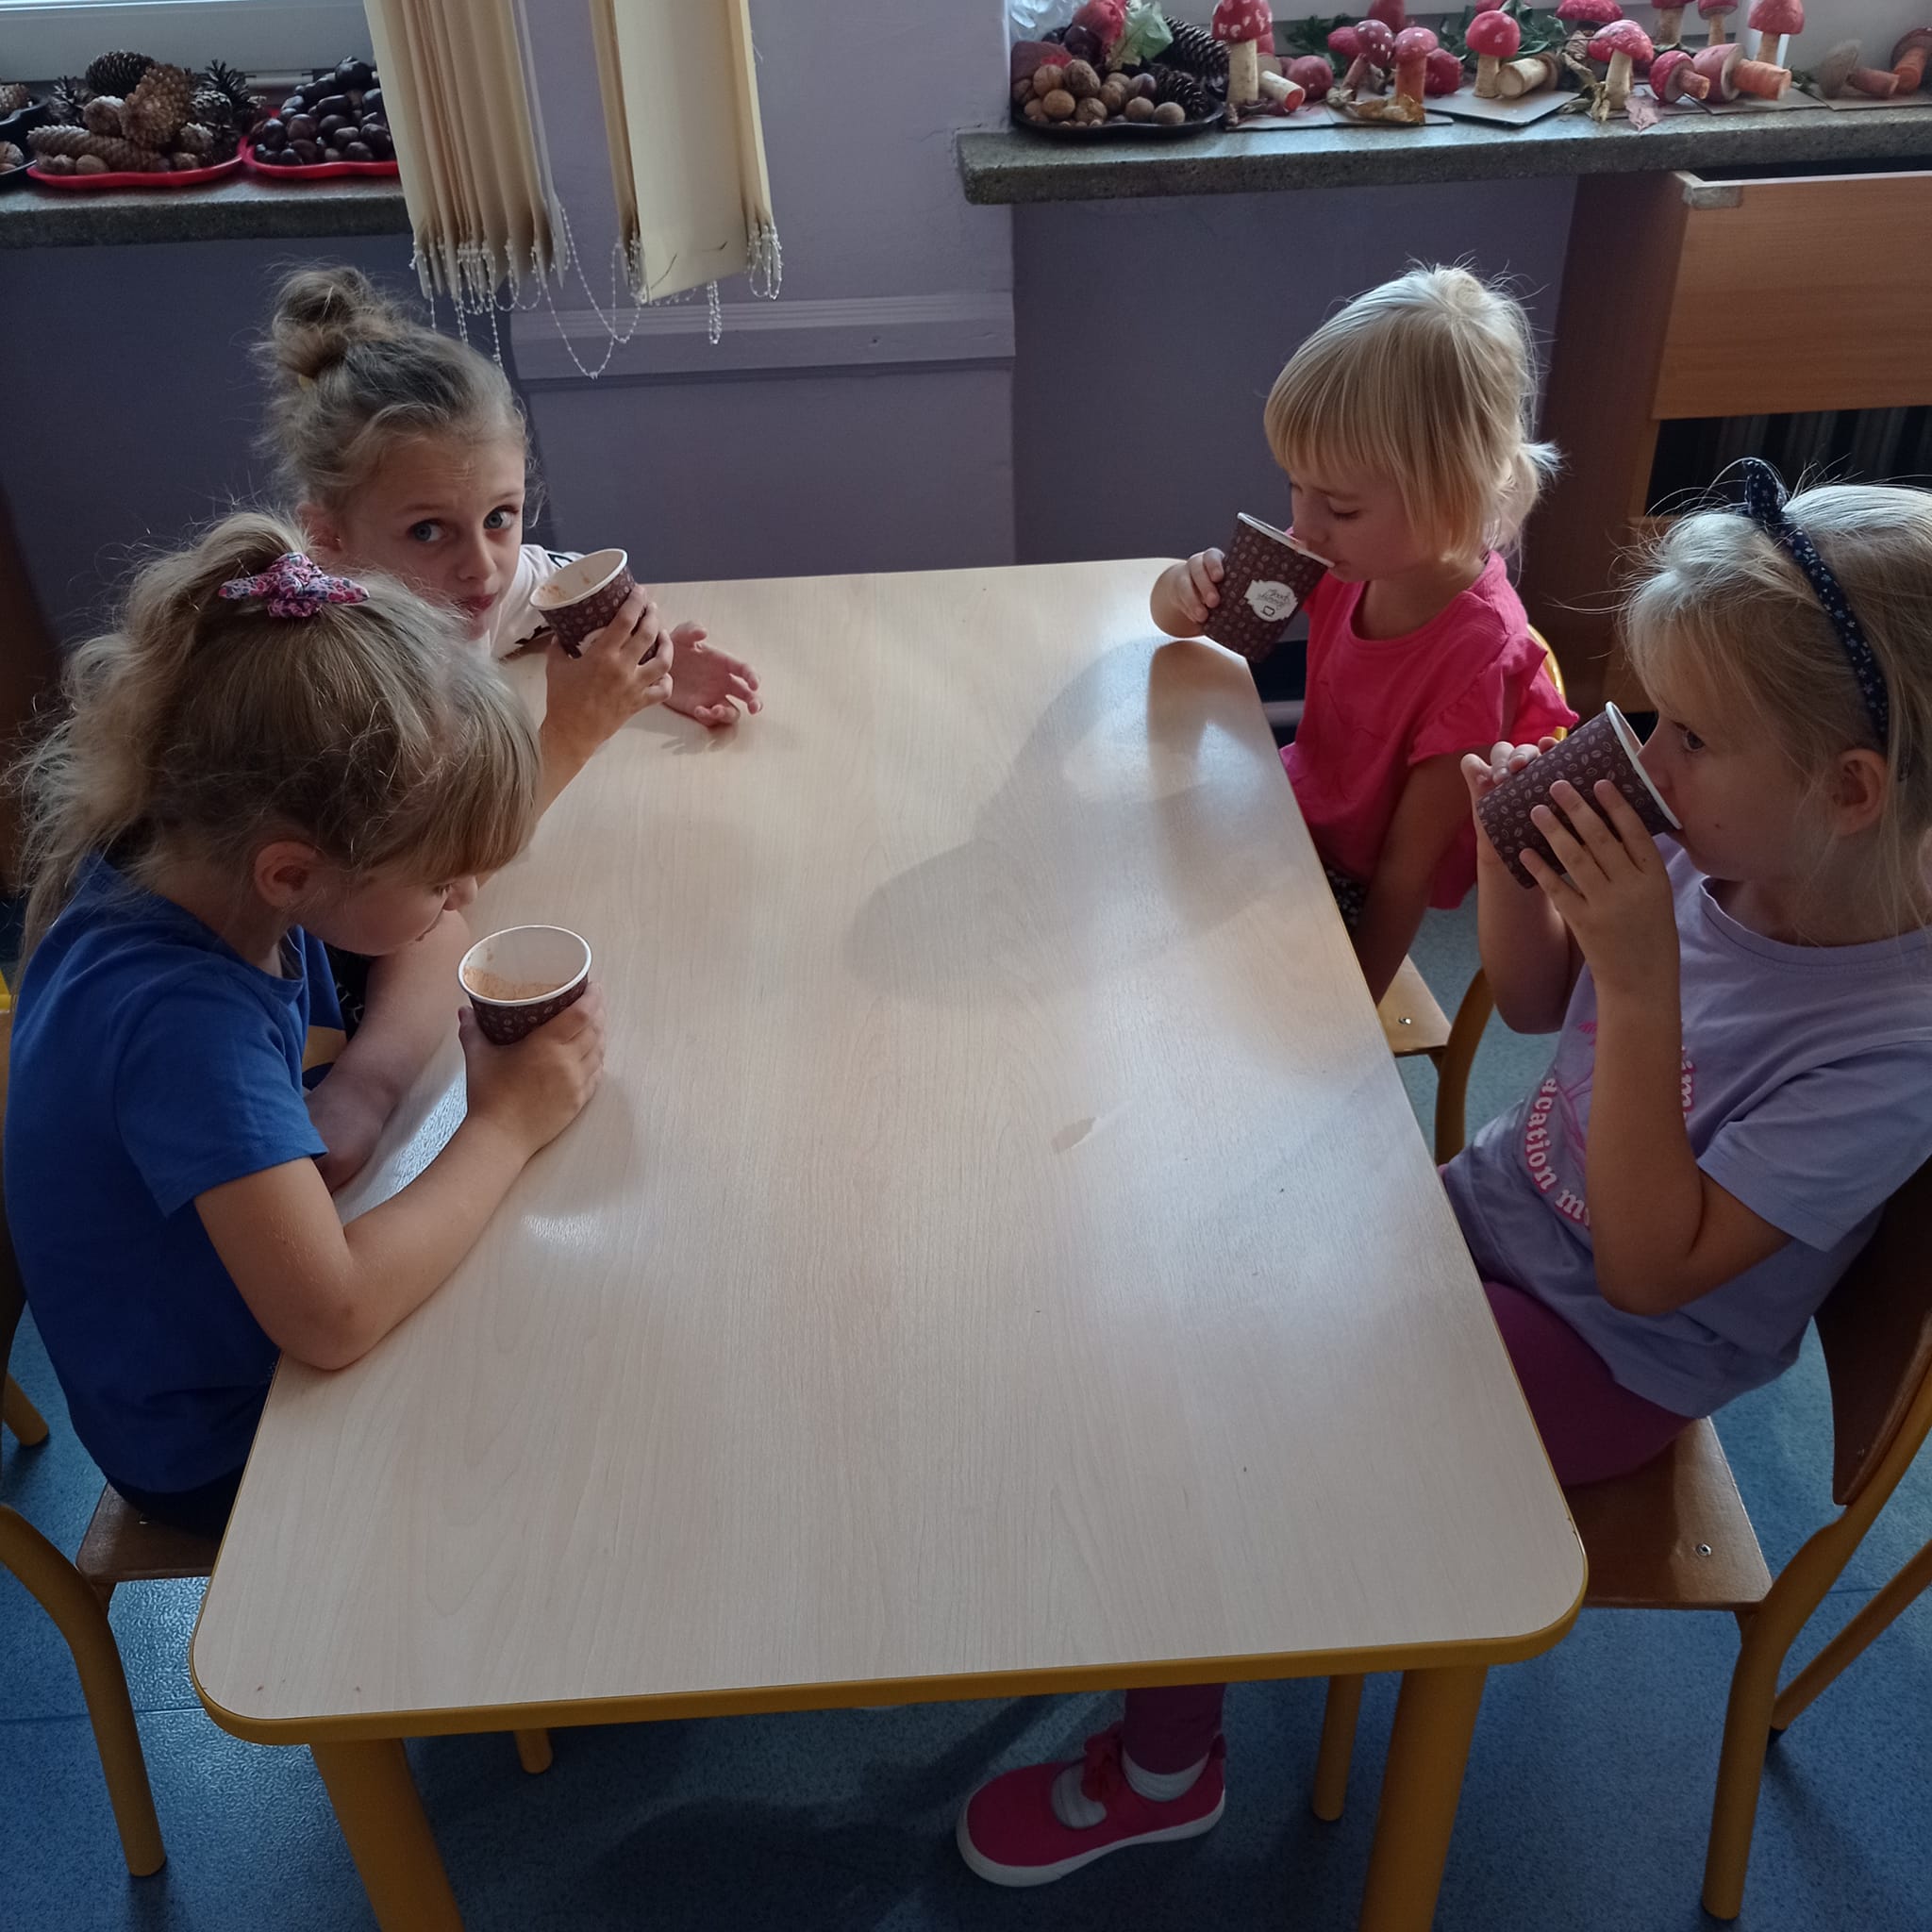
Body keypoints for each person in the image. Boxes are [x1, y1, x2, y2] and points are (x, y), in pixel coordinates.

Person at [958, 469, 1932, 1888]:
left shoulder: (1889, 1048)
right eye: (1653, 718)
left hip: (1611, 1352)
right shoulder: (1722, 850)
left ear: (1848, 791)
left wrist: (1643, 981)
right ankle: (1165, 1588)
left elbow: (1647, 1270)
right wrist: (1515, 868)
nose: (1651, 761)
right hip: (1486, 1220)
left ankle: (1167, 1769)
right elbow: (1534, 1003)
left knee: (1220, 1420)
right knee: (1176, 1250)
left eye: (1693, 737)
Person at [5, 515, 606, 1538]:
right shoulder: (181, 1024)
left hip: (268, 1319)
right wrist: (506, 1125)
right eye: (438, 875)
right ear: (291, 872)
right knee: (555, 1421)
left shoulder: (203, 864)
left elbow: (432, 932)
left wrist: (367, 1085)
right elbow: (334, 1315)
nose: (462, 895)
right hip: (223, 1438)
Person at [255, 265, 753, 1186]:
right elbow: (454, 866)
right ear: (327, 538)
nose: (482, 566)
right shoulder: (335, 666)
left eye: (500, 515)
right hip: (323, 929)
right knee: (445, 920)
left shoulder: (470, 580)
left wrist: (648, 659)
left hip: (405, 885)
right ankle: (367, 1084)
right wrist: (572, 732)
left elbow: (555, 585)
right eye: (429, 531)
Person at [1151, 266, 1574, 1004]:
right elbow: (1179, 625)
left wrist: (1350, 1024)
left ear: (1453, 493)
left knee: (1179, 984)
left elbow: (1403, 877)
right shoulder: (1349, 553)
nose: (1304, 525)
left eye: (1341, 508)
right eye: (1295, 485)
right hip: (1285, 816)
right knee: (1131, 869)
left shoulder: (1477, 660)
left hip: (1344, 885)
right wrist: (1184, 588)